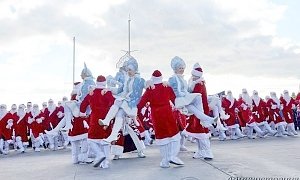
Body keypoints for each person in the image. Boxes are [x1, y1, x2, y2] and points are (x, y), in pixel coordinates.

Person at [137, 70, 184, 168]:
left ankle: (165, 161)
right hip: (167, 113)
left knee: (162, 138)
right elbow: (175, 99)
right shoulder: (166, 87)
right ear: (161, 77)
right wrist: (182, 108)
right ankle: (172, 156)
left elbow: (141, 103)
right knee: (175, 136)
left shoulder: (149, 89)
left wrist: (134, 112)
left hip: (156, 115)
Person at [98, 56, 145, 144]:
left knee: (118, 101)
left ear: (135, 70)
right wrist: (108, 89)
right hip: (125, 103)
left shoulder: (140, 80)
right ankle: (113, 135)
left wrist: (152, 83)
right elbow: (119, 90)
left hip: (131, 105)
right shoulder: (127, 81)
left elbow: (147, 85)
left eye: (130, 70)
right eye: (127, 70)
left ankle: (107, 121)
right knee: (119, 115)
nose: (128, 72)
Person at [168, 56, 218, 129]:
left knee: (196, 104)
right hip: (180, 100)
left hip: (186, 99)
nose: (182, 70)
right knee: (197, 97)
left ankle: (206, 121)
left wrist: (194, 83)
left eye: (182, 68)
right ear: (175, 69)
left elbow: (188, 90)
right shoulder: (173, 78)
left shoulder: (183, 79)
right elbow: (177, 91)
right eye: (180, 68)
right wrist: (185, 95)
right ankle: (206, 121)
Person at [45, 63, 95, 135]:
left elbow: (85, 97)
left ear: (85, 74)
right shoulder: (88, 82)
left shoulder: (88, 83)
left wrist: (77, 97)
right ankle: (56, 130)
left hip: (84, 107)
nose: (80, 75)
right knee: (67, 114)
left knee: (67, 105)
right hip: (83, 105)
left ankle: (65, 126)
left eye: (81, 74)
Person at [80, 75, 115, 168]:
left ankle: (99, 154)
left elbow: (83, 104)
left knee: (91, 139)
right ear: (105, 82)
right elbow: (114, 103)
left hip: (95, 118)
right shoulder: (107, 92)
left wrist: (82, 113)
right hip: (106, 119)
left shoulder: (92, 92)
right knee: (105, 140)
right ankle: (105, 162)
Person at [188, 63, 229, 141]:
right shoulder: (197, 82)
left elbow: (196, 96)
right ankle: (218, 124)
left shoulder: (198, 84)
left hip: (200, 109)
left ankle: (204, 150)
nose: (193, 77)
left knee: (201, 130)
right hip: (201, 109)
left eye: (194, 75)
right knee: (200, 130)